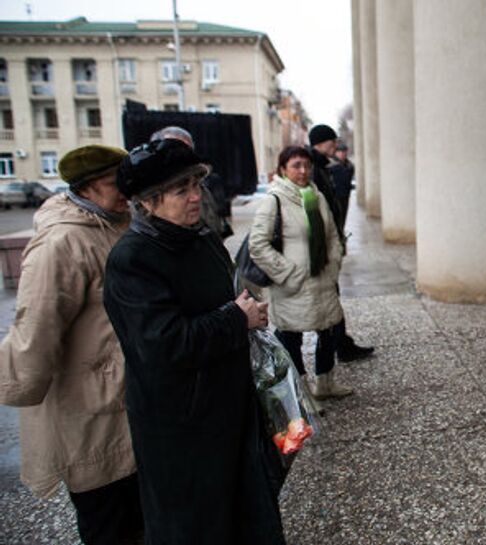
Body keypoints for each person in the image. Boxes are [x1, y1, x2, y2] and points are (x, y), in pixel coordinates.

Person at [103, 138, 285, 544]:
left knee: (246, 512)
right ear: (148, 202)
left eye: (196, 185)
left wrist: (246, 313)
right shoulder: (132, 260)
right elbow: (163, 344)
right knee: (197, 525)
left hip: (229, 407)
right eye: (181, 189)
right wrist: (236, 318)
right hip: (181, 427)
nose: (195, 196)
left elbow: (225, 301)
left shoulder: (201, 238)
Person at [0, 145, 143, 545]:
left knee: (138, 511)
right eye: (117, 182)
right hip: (88, 405)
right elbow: (36, 325)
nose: (126, 192)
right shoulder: (61, 243)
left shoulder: (119, 223)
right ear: (89, 186)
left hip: (127, 395)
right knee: (107, 516)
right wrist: (20, 381)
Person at [249, 145, 353, 400]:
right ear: (283, 169)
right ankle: (302, 394)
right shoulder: (274, 199)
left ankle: (326, 384)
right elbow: (258, 244)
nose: (303, 170)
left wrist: (333, 264)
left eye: (307, 165)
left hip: (322, 280)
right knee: (291, 338)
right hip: (292, 286)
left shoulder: (315, 196)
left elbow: (331, 235)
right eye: (296, 165)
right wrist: (288, 273)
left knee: (328, 330)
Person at [308, 124, 375, 362]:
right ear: (320, 142)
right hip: (322, 244)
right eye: (331, 141)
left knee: (331, 294)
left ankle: (341, 343)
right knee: (328, 295)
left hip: (329, 240)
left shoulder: (324, 166)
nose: (335, 146)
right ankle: (339, 347)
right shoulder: (314, 168)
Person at [150, 125, 234, 239]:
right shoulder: (148, 195)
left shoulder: (203, 187)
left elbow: (215, 223)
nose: (195, 197)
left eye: (188, 151)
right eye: (176, 152)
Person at [327, 140, 355, 232]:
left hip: (345, 195)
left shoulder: (349, 165)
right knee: (336, 218)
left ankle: (341, 232)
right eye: (340, 151)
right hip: (335, 196)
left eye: (344, 151)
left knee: (343, 216)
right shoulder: (331, 165)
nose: (342, 154)